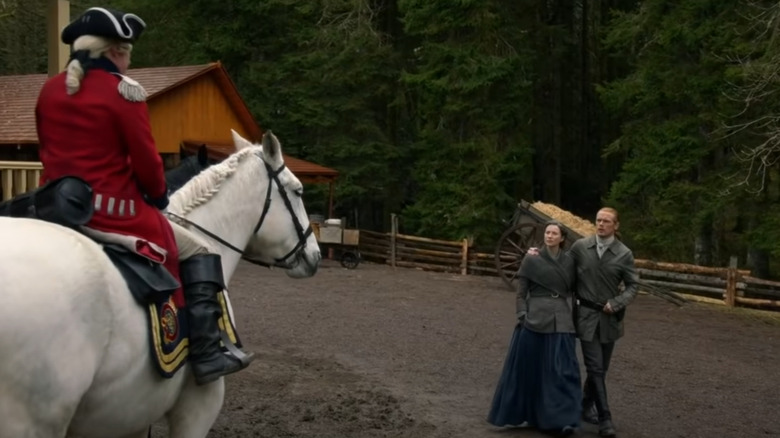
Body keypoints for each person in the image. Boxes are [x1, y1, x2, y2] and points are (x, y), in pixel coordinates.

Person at [35, 6, 253, 385]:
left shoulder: (49, 90)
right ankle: (205, 353)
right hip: (112, 215)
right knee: (200, 250)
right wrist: (159, 198)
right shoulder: (124, 92)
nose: (129, 63)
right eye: (128, 54)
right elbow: (148, 163)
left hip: (52, 209)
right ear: (115, 51)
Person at [487, 221, 581, 437]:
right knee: (530, 369)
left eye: (554, 233)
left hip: (561, 317)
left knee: (563, 370)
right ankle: (531, 414)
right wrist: (522, 314)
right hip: (535, 317)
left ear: (562, 238)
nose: (549, 236)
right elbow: (521, 292)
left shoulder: (569, 261)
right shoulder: (532, 258)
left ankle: (562, 419)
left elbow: (577, 287)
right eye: (547, 232)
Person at [568, 207, 638, 437]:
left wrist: (617, 303)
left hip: (610, 319)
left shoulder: (624, 254)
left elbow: (633, 286)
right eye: (598, 220)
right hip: (586, 316)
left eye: (606, 221)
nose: (601, 224)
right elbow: (562, 268)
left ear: (616, 226)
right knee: (595, 367)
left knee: (601, 369)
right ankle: (605, 419)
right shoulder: (580, 247)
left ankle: (584, 406)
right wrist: (537, 256)